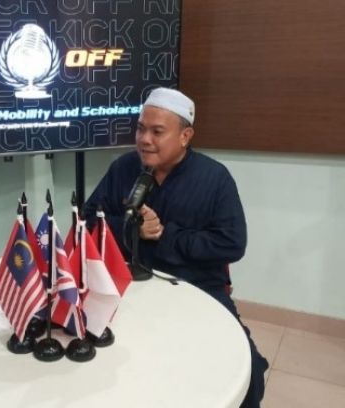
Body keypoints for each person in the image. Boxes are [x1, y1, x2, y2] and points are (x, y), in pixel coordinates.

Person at [83, 88, 268, 408]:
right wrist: (131, 227)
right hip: (127, 282)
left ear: (185, 136)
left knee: (244, 368)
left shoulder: (215, 179)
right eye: (141, 128)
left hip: (198, 286)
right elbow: (87, 222)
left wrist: (164, 235)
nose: (144, 139)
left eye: (157, 132)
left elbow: (232, 243)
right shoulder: (124, 168)